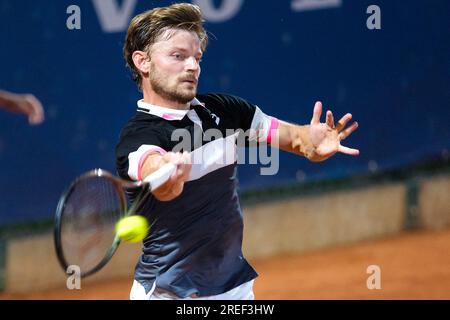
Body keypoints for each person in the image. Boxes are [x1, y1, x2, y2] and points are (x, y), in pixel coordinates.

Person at [116, 3, 359, 300]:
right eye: (178, 56)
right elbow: (157, 176)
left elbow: (293, 138)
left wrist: (312, 143)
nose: (192, 66)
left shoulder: (225, 111)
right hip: (169, 294)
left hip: (235, 290)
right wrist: (170, 170)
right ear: (143, 62)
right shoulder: (138, 137)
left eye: (196, 57)